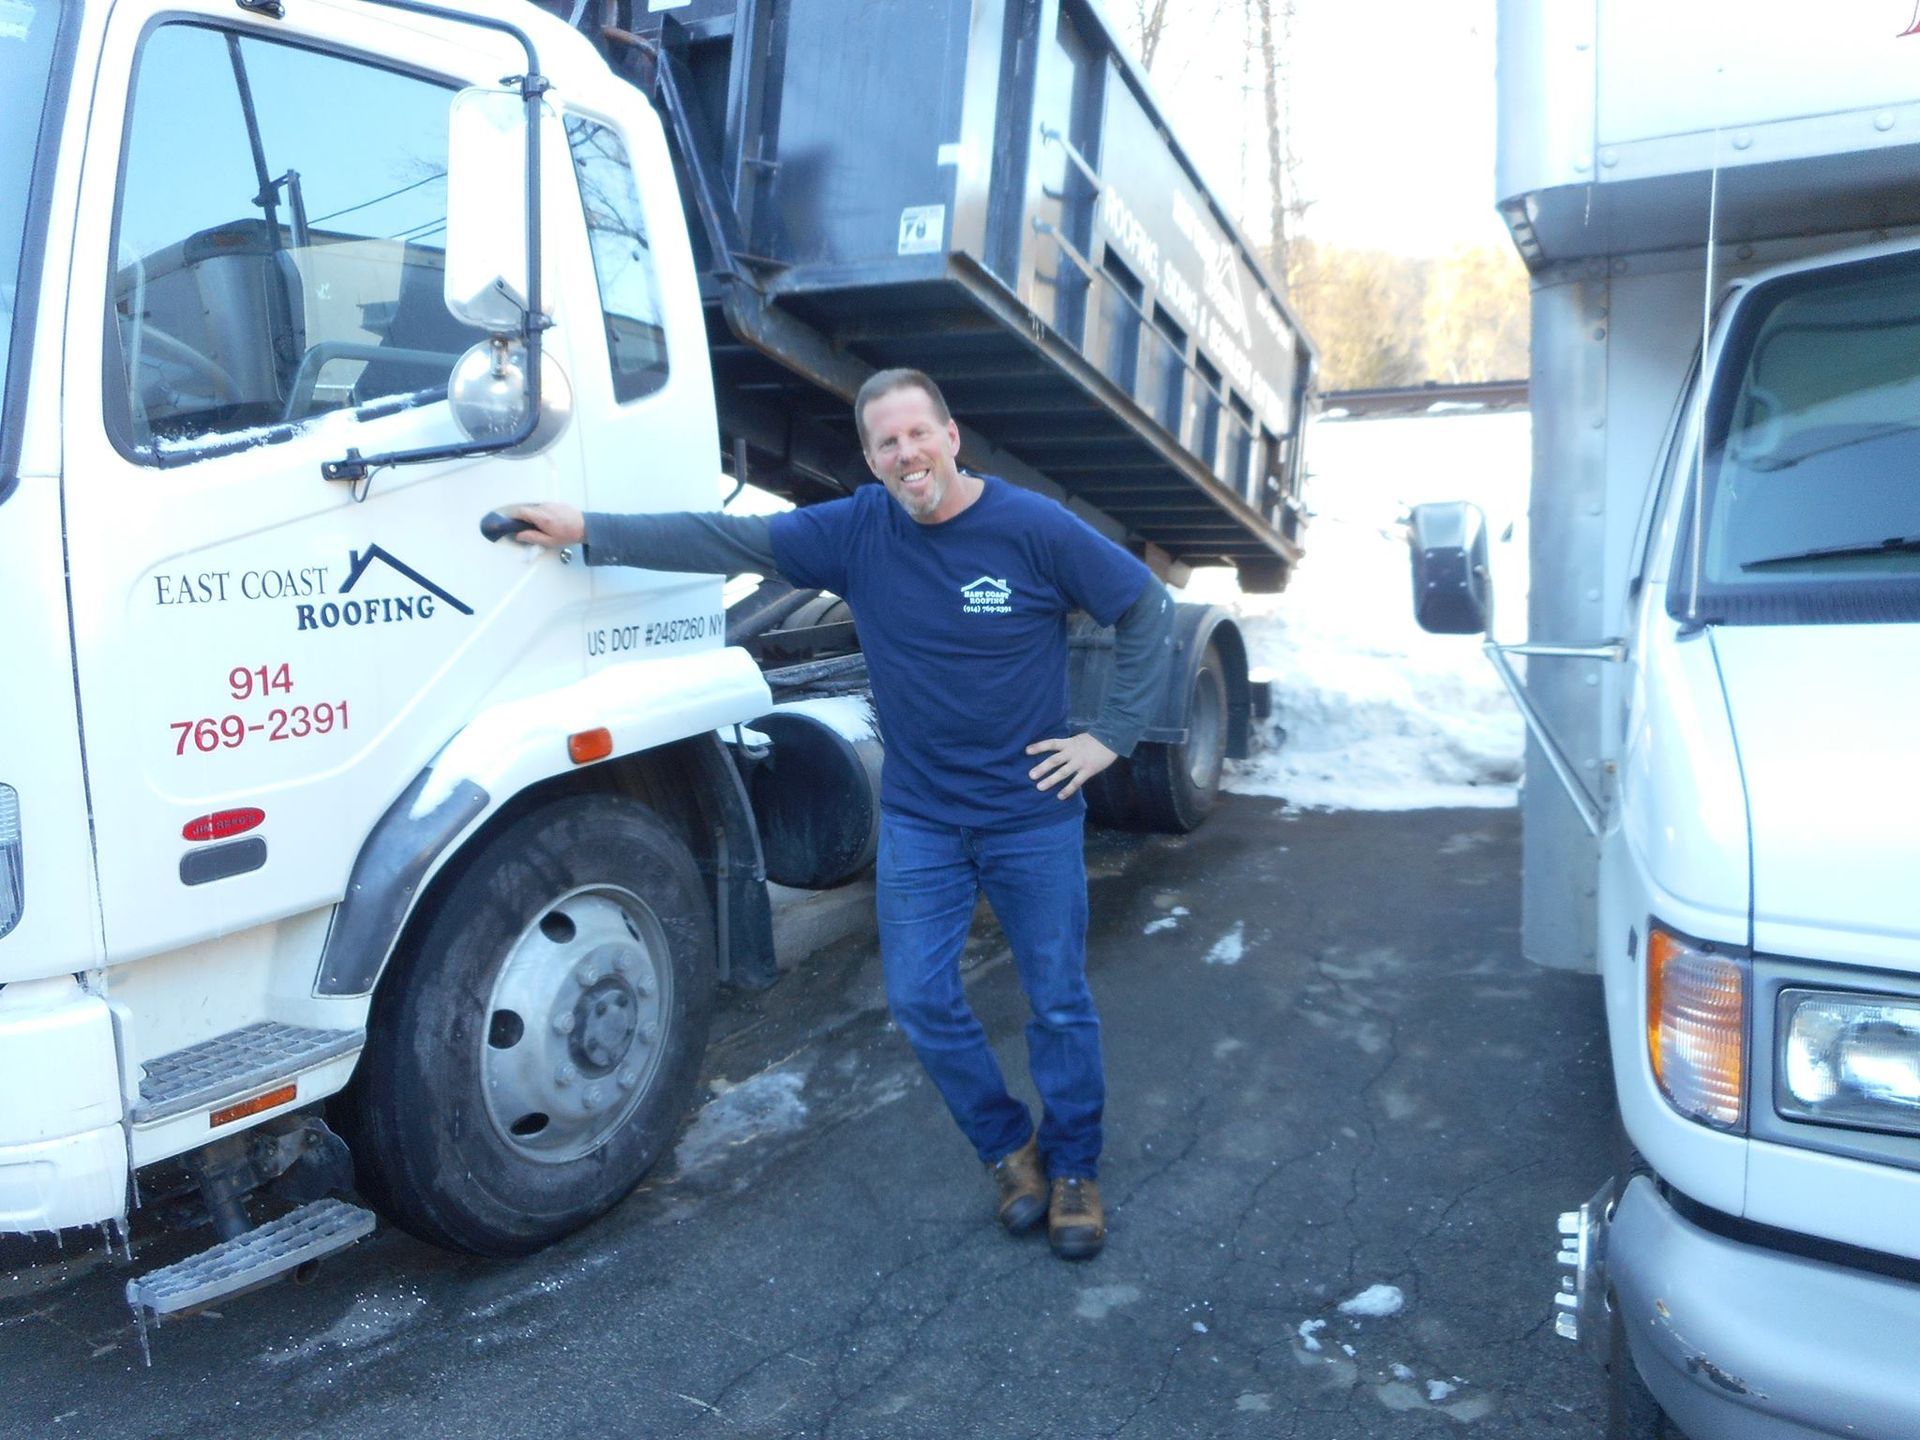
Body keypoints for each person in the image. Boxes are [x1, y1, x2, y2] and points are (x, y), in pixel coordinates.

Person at [500, 369, 1172, 1260]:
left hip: (1030, 816)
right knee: (923, 999)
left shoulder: (1032, 528)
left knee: (1056, 1000)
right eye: (887, 444)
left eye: (918, 435)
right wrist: (591, 531)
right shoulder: (857, 530)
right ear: (870, 459)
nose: (907, 455)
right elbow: (725, 537)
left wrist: (1111, 738)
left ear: (952, 436)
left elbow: (1145, 605)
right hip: (926, 821)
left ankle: (1075, 1165)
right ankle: (1009, 1147)